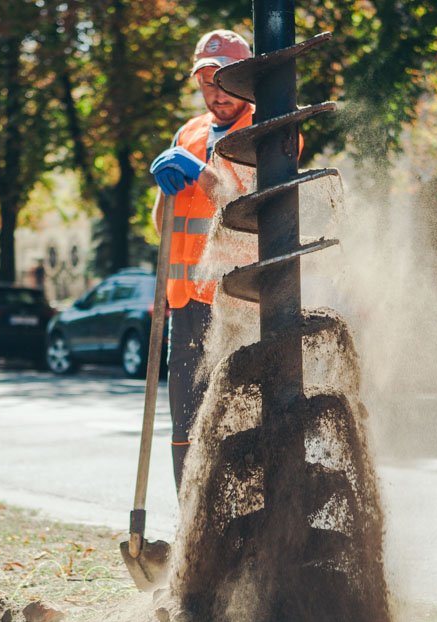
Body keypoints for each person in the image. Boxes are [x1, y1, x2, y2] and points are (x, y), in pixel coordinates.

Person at [149, 29, 254, 491]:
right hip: (184, 302)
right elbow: (164, 225)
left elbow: (244, 208)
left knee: (230, 418)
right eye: (206, 82)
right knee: (184, 424)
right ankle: (189, 535)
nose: (216, 93)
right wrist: (163, 187)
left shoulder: (263, 131)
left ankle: (236, 529)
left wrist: (197, 171)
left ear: (246, 79)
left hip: (235, 303)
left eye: (224, 81)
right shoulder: (188, 132)